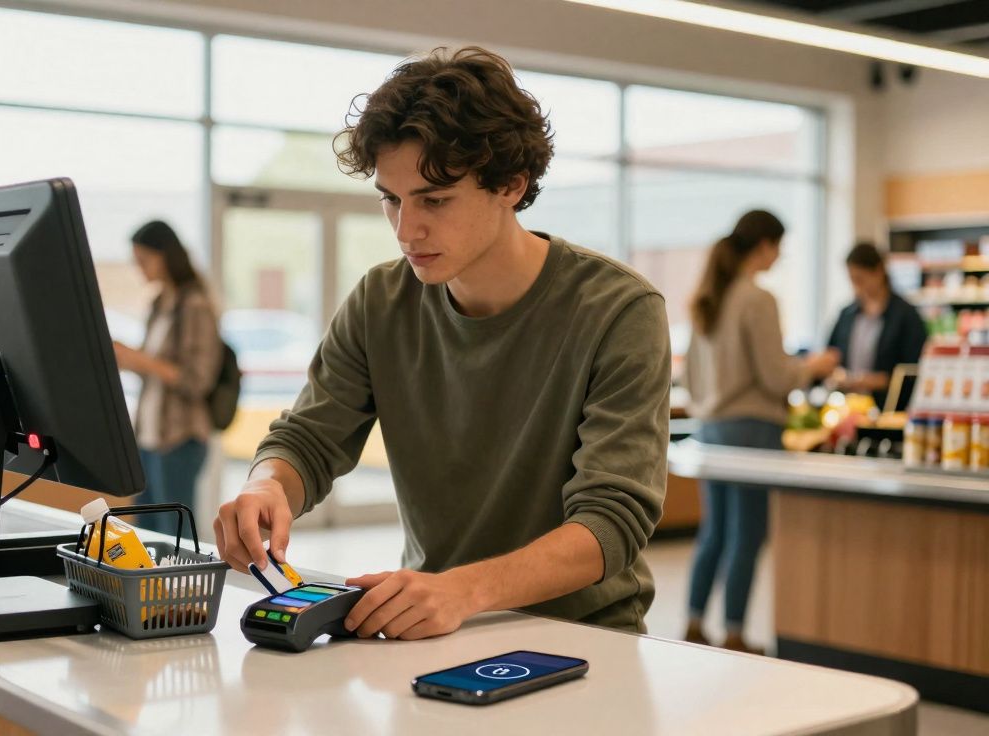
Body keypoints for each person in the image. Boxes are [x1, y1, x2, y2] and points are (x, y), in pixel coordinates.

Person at [212, 46, 672, 638]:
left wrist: (464, 590)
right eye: (391, 199)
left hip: (585, 637)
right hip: (432, 625)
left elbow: (611, 522)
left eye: (434, 199)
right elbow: (309, 440)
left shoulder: (618, 310)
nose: (406, 229)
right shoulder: (380, 302)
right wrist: (267, 485)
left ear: (511, 185)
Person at [681, 210, 839, 653]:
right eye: (778, 247)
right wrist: (813, 367)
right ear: (765, 245)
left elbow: (690, 377)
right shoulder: (757, 298)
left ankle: (693, 622)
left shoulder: (709, 296)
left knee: (714, 532)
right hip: (753, 431)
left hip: (711, 431)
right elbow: (775, 376)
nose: (779, 257)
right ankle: (734, 633)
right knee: (747, 534)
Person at [114, 221, 222, 535]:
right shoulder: (160, 303)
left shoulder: (195, 304)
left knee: (174, 536)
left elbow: (198, 379)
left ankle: (184, 575)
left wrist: (142, 360)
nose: (139, 268)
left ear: (163, 256)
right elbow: (154, 369)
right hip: (148, 436)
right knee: (146, 532)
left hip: (180, 437)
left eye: (143, 260)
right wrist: (127, 358)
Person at [826, 242, 927, 412]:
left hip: (889, 409)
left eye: (860, 279)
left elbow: (914, 368)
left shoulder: (906, 316)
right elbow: (832, 352)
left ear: (879, 271)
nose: (856, 286)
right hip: (847, 408)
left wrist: (873, 380)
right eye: (852, 280)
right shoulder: (847, 314)